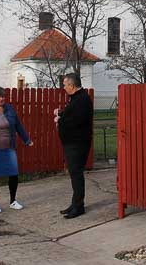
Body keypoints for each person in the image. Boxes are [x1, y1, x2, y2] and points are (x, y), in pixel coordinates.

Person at [54, 72, 93, 219]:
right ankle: (74, 203)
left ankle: (79, 206)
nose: (64, 87)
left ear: (72, 85)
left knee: (76, 175)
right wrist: (61, 113)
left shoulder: (82, 99)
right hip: (72, 143)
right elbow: (72, 115)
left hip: (77, 144)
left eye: (65, 85)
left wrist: (59, 119)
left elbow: (76, 121)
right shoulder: (76, 98)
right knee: (74, 174)